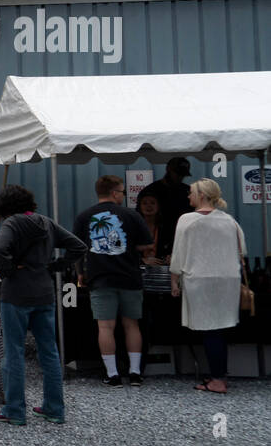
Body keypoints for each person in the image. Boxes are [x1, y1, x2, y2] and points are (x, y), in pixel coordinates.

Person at [0, 184, 87, 425]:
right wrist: (57, 266)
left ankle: (14, 409)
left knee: (14, 352)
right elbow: (79, 246)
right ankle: (54, 408)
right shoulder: (47, 222)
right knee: (50, 353)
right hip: (44, 292)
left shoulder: (12, 223)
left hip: (16, 294)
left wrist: (9, 270)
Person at [72, 175, 154, 387]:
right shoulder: (132, 215)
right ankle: (135, 373)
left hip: (100, 279)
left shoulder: (84, 216)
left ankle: (113, 374)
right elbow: (147, 245)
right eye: (123, 192)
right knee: (132, 325)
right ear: (115, 193)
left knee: (105, 327)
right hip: (130, 277)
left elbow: (76, 250)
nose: (123, 196)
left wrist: (81, 273)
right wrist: (131, 248)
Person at [170, 178, 247, 394]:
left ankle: (217, 379)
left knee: (210, 329)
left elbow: (178, 254)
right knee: (219, 328)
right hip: (228, 280)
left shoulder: (187, 219)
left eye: (191, 192)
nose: (188, 196)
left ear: (201, 195)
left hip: (200, 280)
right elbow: (243, 252)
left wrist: (174, 281)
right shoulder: (229, 220)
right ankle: (219, 374)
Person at [137, 157, 192, 254]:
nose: (179, 177)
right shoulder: (151, 190)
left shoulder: (188, 192)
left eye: (182, 175)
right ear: (168, 170)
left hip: (182, 239)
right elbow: (140, 218)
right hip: (157, 240)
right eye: (177, 173)